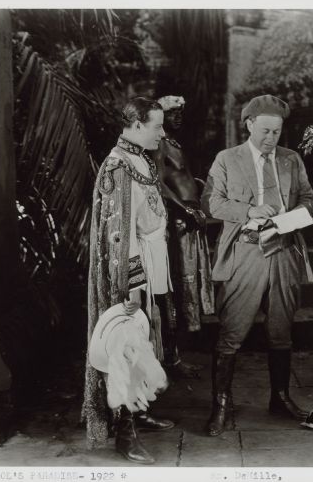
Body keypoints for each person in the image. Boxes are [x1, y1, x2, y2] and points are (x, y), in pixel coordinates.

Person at [201, 94, 313, 437]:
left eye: (277, 132)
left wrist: (290, 218)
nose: (271, 138)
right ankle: (221, 404)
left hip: (283, 251)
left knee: (281, 331)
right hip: (246, 252)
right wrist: (249, 212)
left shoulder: (291, 159)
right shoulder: (227, 159)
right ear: (249, 124)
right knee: (232, 332)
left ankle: (280, 398)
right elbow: (211, 203)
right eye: (265, 130)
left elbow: (309, 199)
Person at [82, 97, 175, 464]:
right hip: (129, 272)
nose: (163, 133)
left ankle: (140, 410)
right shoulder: (118, 166)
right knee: (127, 345)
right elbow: (120, 236)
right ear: (136, 126)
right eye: (157, 126)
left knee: (148, 339)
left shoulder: (141, 158)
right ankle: (125, 432)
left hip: (152, 260)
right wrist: (133, 284)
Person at [151, 95, 215, 379]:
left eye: (182, 111)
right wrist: (185, 210)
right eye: (173, 112)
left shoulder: (175, 144)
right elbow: (159, 184)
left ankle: (175, 356)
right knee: (175, 288)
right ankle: (171, 358)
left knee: (186, 288)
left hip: (189, 221)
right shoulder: (159, 144)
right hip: (177, 224)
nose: (179, 116)